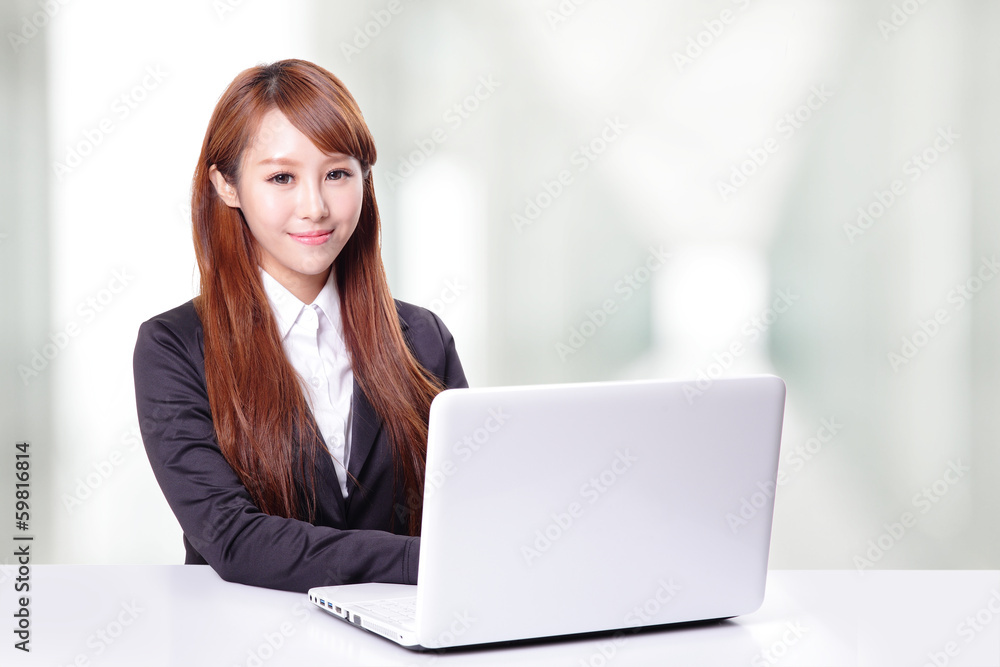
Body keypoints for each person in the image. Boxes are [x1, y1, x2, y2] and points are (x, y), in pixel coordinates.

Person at [132, 59, 468, 593]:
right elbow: (234, 540)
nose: (314, 207)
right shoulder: (174, 347)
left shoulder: (422, 338)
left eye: (337, 174)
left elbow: (472, 516)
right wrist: (426, 562)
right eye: (281, 177)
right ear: (227, 185)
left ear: (365, 179)